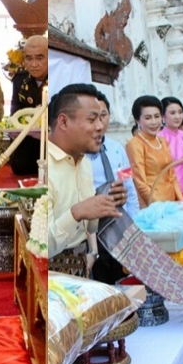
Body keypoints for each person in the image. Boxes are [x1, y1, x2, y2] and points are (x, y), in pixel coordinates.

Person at [48, 83, 124, 274]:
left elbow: (89, 226)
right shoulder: (42, 167)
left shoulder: (84, 163)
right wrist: (77, 212)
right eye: (92, 119)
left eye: (101, 118)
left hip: (82, 266)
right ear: (63, 122)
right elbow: (40, 245)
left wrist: (106, 205)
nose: (100, 127)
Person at [85, 91, 137, 284]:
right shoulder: (80, 155)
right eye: (93, 117)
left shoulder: (117, 149)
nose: (99, 123)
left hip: (120, 225)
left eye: (103, 115)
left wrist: (134, 222)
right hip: (94, 228)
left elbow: (128, 186)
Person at [125, 95, 183, 208]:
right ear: (137, 120)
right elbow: (140, 183)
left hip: (171, 203)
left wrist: (182, 202)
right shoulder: (134, 144)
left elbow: (172, 176)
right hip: (152, 206)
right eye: (148, 118)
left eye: (157, 116)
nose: (154, 122)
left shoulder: (162, 141)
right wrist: (158, 207)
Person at [9, 35, 48, 176]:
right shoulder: (20, 80)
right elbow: (15, 114)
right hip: (30, 137)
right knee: (19, 166)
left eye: (39, 58)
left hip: (53, 137)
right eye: (29, 58)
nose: (34, 64)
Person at [157, 96, 183, 197]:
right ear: (163, 116)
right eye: (172, 113)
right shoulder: (159, 138)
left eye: (180, 112)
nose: (178, 116)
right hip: (170, 191)